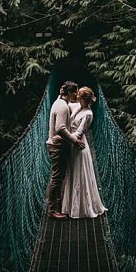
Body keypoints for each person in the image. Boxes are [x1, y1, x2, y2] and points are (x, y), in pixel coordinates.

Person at [60, 86, 108, 219]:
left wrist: (64, 137)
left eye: (78, 94)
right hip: (73, 144)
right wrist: (62, 93)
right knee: (73, 174)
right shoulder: (77, 107)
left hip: (79, 146)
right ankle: (72, 206)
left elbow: (79, 133)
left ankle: (81, 208)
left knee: (79, 175)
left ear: (82, 98)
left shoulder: (88, 114)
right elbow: (66, 102)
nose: (75, 95)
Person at [44, 81, 84, 220]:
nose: (77, 94)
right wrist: (75, 140)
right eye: (75, 92)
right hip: (58, 147)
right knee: (57, 177)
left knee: (59, 176)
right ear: (69, 93)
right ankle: (52, 211)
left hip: (58, 144)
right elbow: (60, 128)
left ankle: (57, 205)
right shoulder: (62, 107)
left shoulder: (60, 102)